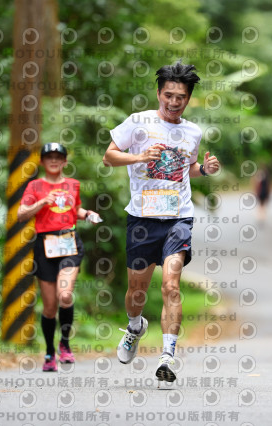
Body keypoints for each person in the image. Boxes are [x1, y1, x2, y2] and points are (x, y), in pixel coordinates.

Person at [102, 61, 220, 383]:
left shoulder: (193, 132)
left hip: (178, 218)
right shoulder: (137, 123)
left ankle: (167, 356)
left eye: (180, 97)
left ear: (188, 99)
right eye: (168, 95)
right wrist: (139, 157)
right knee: (136, 291)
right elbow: (109, 156)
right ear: (158, 94)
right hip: (142, 219)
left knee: (171, 284)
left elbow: (188, 168)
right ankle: (134, 326)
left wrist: (204, 169)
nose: (174, 102)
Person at [17, 142, 101, 372]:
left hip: (69, 243)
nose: (53, 160)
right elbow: (21, 214)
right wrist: (43, 201)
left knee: (64, 295)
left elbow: (74, 209)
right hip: (44, 246)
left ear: (64, 161)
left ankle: (65, 344)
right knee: (49, 307)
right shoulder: (35, 186)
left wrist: (88, 214)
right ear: (42, 161)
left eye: (58, 157)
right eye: (49, 157)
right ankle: (49, 352)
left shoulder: (73, 184)